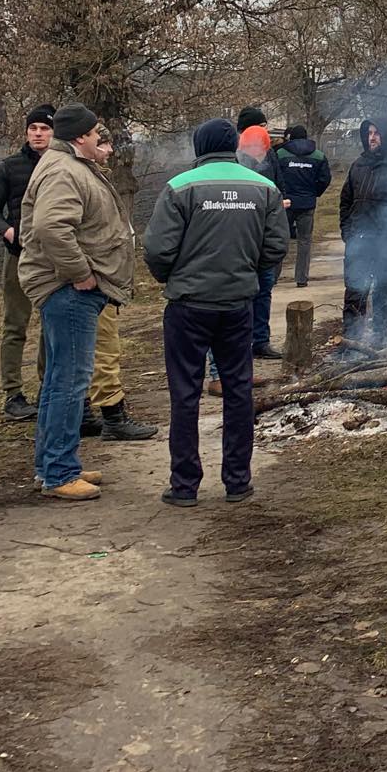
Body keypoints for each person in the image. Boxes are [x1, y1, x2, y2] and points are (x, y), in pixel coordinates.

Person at [145, 118, 289, 506]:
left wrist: (174, 277)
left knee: (185, 394)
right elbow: (276, 246)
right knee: (238, 391)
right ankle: (238, 481)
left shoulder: (179, 187)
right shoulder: (264, 187)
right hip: (238, 305)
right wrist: (248, 270)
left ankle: (184, 485)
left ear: (199, 147)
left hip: (188, 306)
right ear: (234, 146)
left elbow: (157, 249)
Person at [19, 105, 138, 500]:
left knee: (59, 380)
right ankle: (59, 473)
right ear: (81, 137)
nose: (101, 141)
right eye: (96, 135)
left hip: (67, 289)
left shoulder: (68, 165)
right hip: (69, 290)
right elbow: (51, 227)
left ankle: (53, 464)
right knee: (70, 382)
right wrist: (80, 273)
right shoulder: (63, 170)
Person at [0, 104, 55, 421]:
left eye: (44, 128)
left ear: (54, 133)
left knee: (51, 324)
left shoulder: (62, 166)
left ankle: (47, 387)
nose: (37, 134)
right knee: (15, 326)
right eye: (33, 128)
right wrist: (9, 231)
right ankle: (13, 394)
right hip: (18, 257)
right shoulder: (9, 168)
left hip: (52, 259)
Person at [338, 116, 387, 349]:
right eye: (369, 133)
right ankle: (352, 342)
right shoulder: (359, 165)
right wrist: (348, 232)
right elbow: (346, 201)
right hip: (359, 242)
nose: (372, 138)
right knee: (354, 291)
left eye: (377, 133)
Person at [235, 119, 288, 361]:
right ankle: (245, 343)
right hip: (247, 246)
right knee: (245, 297)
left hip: (261, 244)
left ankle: (260, 341)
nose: (262, 153)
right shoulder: (237, 168)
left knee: (263, 293)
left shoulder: (268, 162)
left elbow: (278, 188)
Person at [272, 124, 332, 289]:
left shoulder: (280, 154)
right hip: (307, 204)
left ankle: (273, 277)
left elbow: (274, 176)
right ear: (306, 137)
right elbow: (325, 179)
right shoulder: (318, 155)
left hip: (285, 203)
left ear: (290, 137)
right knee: (304, 241)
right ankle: (301, 279)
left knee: (280, 239)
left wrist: (280, 194)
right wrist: (314, 192)